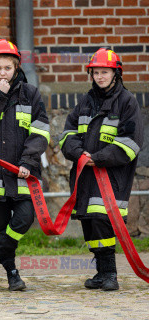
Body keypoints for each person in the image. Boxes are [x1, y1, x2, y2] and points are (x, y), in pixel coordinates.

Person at [59, 47, 143, 291]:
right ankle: (100, 273)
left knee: (103, 220)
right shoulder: (85, 101)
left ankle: (110, 274)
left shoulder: (127, 102)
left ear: (116, 73)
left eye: (105, 72)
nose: (100, 76)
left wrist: (99, 158)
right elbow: (67, 134)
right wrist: (79, 154)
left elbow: (132, 142)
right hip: (85, 175)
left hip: (111, 175)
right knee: (89, 220)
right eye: (95, 72)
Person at [0, 39, 50, 291]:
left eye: (7, 68)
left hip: (23, 173)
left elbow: (41, 132)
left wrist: (28, 160)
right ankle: (12, 274)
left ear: (16, 68)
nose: (3, 73)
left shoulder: (31, 94)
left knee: (25, 218)